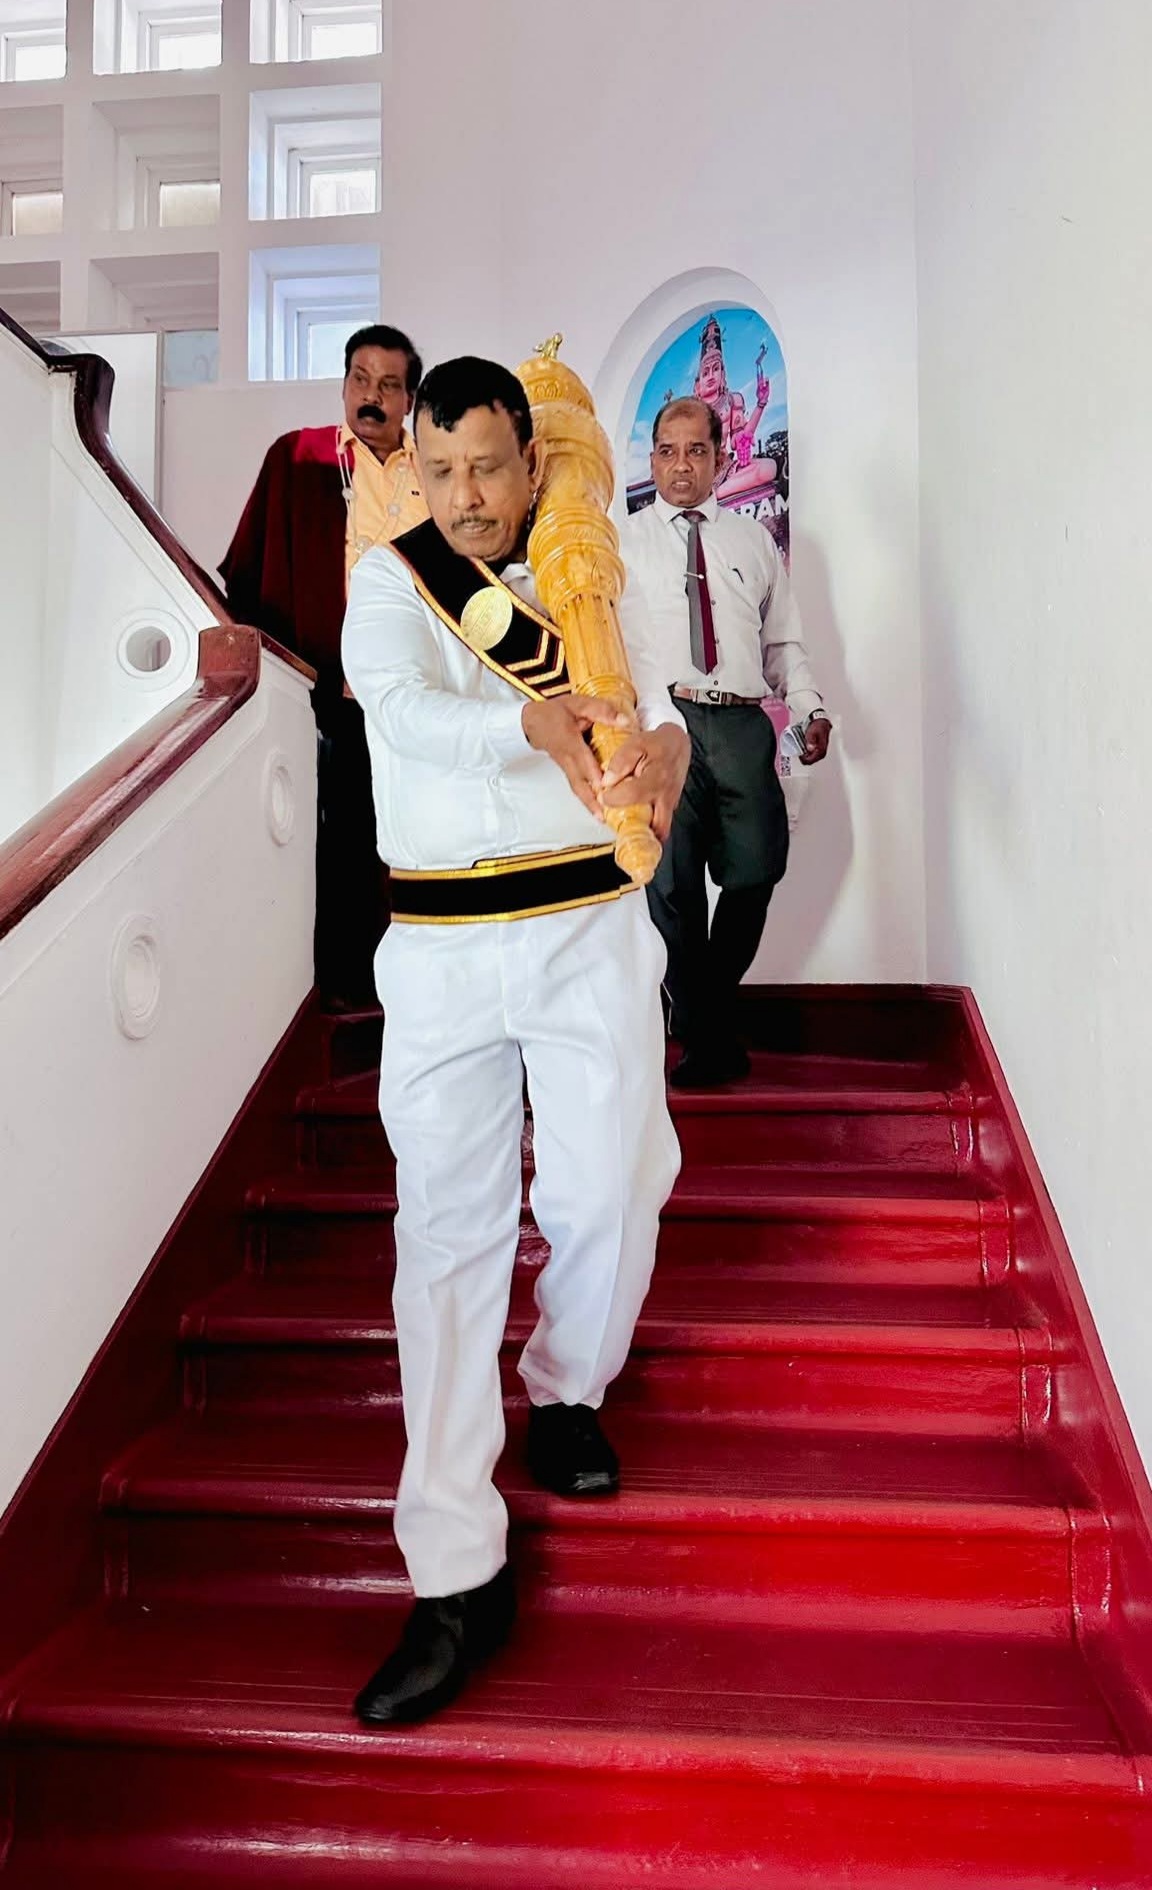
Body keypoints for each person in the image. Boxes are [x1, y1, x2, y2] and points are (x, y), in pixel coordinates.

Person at [342, 356, 690, 1725]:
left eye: (488, 467)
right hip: (439, 947)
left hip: (587, 926)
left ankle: (566, 1388)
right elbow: (399, 711)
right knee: (445, 1237)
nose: (466, 496)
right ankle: (453, 1570)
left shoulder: (596, 574)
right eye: (441, 472)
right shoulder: (393, 581)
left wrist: (662, 759)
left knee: (613, 1185)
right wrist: (529, 721)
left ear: (530, 464)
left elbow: (660, 716)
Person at [621, 396, 832, 1088]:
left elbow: (782, 643)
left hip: (740, 723)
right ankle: (705, 1036)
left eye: (696, 451)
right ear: (653, 459)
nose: (681, 465)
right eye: (667, 451)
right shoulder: (621, 545)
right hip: (665, 726)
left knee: (757, 868)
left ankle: (698, 1011)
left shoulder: (753, 542)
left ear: (720, 457)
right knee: (672, 885)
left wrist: (810, 707)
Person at [220, 324, 427, 1005]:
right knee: (333, 844)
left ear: (409, 399)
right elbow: (250, 571)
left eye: (389, 386)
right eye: (360, 380)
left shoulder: (435, 474)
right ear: (344, 385)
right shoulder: (300, 458)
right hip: (330, 692)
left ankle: (414, 989)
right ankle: (342, 991)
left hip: (416, 692)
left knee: (412, 840)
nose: (372, 396)